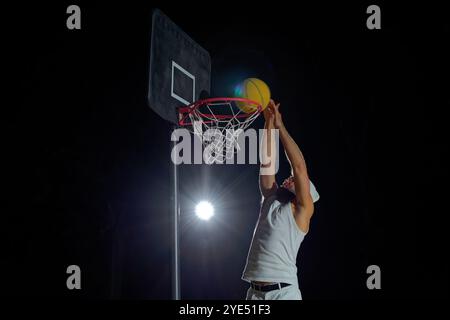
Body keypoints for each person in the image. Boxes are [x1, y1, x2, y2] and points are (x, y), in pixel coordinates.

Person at [242, 99, 320, 300]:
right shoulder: (270, 198)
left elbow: (299, 166)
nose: (289, 177)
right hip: (254, 294)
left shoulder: (302, 211)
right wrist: (268, 123)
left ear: (304, 192)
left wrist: (280, 126)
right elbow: (267, 162)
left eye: (293, 180)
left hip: (283, 293)